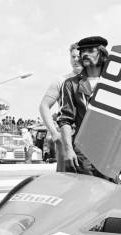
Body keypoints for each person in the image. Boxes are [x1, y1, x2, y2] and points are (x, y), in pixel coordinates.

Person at [57, 35, 110, 177]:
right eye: (83, 51)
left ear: (102, 53)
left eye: (91, 50)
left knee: (110, 194)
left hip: (109, 150)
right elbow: (65, 120)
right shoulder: (70, 84)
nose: (85, 54)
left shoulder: (113, 84)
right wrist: (68, 150)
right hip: (83, 150)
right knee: (86, 194)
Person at [39, 43, 83, 172]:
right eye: (73, 56)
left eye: (78, 56)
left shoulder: (95, 80)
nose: (75, 60)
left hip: (87, 138)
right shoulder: (61, 80)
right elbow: (44, 106)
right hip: (67, 135)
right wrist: (54, 133)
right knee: (66, 179)